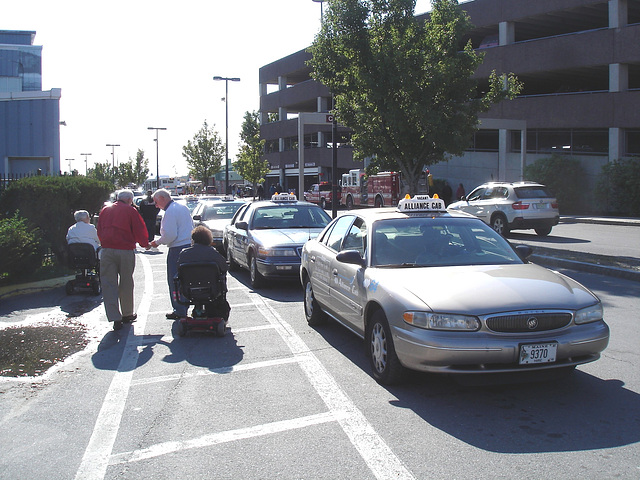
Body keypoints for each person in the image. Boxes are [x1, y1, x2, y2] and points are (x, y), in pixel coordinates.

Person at [97, 190, 149, 330]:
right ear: (130, 200)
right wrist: (145, 244)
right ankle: (127, 313)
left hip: (107, 249)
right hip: (125, 249)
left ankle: (115, 317)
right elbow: (139, 229)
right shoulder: (130, 211)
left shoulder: (105, 210)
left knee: (109, 283)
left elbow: (99, 229)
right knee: (126, 281)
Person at [149, 189, 194, 319]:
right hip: (188, 245)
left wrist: (157, 242)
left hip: (177, 248)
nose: (156, 206)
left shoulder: (169, 212)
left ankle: (179, 309)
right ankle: (185, 305)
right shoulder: (182, 207)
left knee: (175, 280)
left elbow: (169, 235)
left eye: (157, 202)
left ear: (163, 198)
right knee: (187, 278)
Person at [177, 225, 230, 319]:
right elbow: (224, 267)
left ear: (193, 239)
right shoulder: (213, 253)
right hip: (212, 289)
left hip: (189, 290)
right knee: (221, 276)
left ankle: (198, 311)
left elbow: (179, 271)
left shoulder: (184, 254)